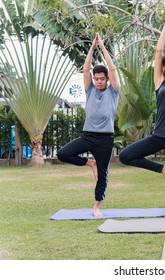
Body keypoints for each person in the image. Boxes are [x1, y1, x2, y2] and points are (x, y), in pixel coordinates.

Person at [119, 9, 165, 232]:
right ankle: (162, 170)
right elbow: (159, 51)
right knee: (125, 155)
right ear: (164, 68)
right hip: (160, 135)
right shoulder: (159, 81)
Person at [57, 33, 119, 218]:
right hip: (88, 136)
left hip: (105, 139)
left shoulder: (113, 92)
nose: (99, 81)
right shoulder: (90, 90)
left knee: (103, 174)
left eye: (102, 78)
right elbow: (85, 71)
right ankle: (88, 162)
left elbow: (113, 70)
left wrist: (103, 48)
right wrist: (92, 48)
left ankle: (97, 206)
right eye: (96, 78)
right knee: (63, 154)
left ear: (107, 79)